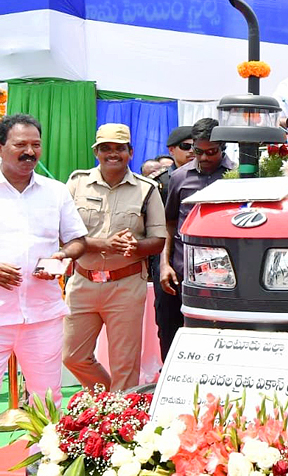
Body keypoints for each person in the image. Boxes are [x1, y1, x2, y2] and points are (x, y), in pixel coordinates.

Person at [62, 123, 166, 392]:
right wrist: (102, 244)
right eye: (105, 148)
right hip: (82, 282)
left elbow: (158, 240)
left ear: (130, 152)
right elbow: (62, 235)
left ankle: (119, 420)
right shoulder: (77, 183)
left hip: (126, 285)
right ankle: (112, 400)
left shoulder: (148, 189)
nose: (112, 154)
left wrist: (136, 247)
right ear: (96, 151)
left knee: (125, 364)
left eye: (119, 148)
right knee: (73, 357)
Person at [0, 114, 87, 406]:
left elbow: (78, 241)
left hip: (43, 315)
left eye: (36, 145)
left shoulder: (56, 191)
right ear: (1, 147)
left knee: (48, 400)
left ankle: (46, 453)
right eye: (20, 144)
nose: (30, 152)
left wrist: (61, 256)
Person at [160, 118, 235, 359]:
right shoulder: (180, 178)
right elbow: (169, 222)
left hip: (226, 275)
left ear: (222, 147)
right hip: (186, 272)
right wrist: (165, 264)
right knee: (187, 333)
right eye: (198, 152)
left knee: (222, 335)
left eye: (211, 152)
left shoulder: (237, 175)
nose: (203, 158)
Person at [150, 126, 195, 360]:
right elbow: (160, 225)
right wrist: (163, 264)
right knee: (168, 319)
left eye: (195, 146)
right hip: (166, 257)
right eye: (186, 147)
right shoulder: (161, 183)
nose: (192, 151)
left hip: (197, 261)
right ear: (172, 150)